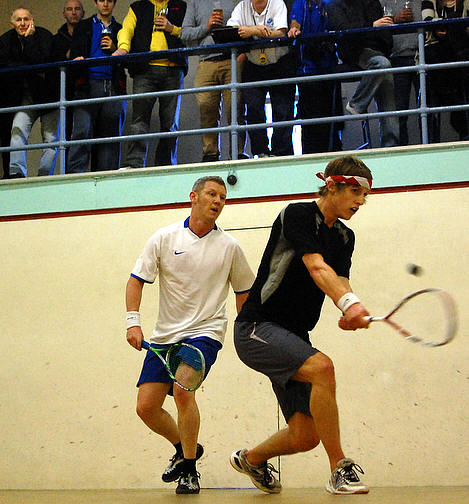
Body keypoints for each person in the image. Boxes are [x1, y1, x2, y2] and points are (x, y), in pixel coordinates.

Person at [231, 155, 372, 495]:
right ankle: (340, 469)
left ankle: (251, 459)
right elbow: (316, 266)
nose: (361, 201)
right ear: (331, 186)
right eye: (355, 191)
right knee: (323, 367)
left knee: (305, 436)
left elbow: (339, 279)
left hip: (295, 336)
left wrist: (348, 307)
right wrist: (349, 304)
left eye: (366, 195)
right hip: (256, 328)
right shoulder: (297, 215)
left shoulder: (345, 237)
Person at [126, 176, 254, 494]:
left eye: (223, 197)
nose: (218, 201)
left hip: (205, 333)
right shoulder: (164, 238)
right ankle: (186, 448)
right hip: (165, 336)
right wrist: (133, 322)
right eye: (211, 194)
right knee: (146, 407)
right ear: (193, 197)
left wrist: (247, 330)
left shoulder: (230, 247)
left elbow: (244, 292)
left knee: (183, 391)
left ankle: (189, 470)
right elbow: (136, 280)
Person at [113, 0, 188, 168]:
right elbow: (126, 29)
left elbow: (191, 32)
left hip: (173, 68)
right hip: (144, 70)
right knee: (139, 121)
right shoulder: (138, 7)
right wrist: (123, 48)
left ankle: (166, 165)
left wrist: (172, 28)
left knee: (170, 123)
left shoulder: (181, 5)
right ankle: (134, 164)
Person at [181, 0, 248, 163]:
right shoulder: (195, 3)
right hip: (206, 61)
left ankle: (238, 152)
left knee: (236, 107)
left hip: (232, 59)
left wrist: (244, 52)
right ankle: (210, 153)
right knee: (206, 108)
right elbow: (184, 34)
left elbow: (248, 25)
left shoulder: (237, 2)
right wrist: (207, 26)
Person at [227, 0, 296, 157]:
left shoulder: (277, 3)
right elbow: (231, 30)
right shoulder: (242, 6)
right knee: (253, 109)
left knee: (283, 110)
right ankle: (260, 152)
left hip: (280, 63)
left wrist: (252, 31)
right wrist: (256, 29)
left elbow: (280, 33)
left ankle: (281, 152)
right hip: (253, 64)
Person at [327, 0, 399, 147]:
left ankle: (391, 146)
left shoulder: (372, 2)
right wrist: (372, 26)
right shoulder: (335, 4)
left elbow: (383, 29)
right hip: (355, 52)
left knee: (384, 68)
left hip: (378, 51)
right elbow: (343, 30)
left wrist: (385, 45)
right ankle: (357, 104)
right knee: (383, 64)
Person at [67, 0, 127, 173]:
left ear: (114, 4)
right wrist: (77, 59)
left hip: (113, 85)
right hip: (87, 84)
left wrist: (115, 48)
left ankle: (107, 177)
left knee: (110, 136)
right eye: (101, 0)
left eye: (109, 1)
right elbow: (75, 53)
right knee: (82, 131)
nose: (105, 4)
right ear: (95, 3)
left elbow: (127, 59)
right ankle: (75, 176)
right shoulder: (83, 26)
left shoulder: (120, 28)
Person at [0, 7, 58, 177]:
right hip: (26, 96)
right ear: (12, 23)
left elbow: (41, 61)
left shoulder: (44, 35)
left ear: (32, 20)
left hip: (49, 95)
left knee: (51, 139)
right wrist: (28, 68)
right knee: (17, 130)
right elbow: (4, 65)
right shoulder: (5, 40)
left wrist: (30, 39)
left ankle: (44, 175)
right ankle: (17, 173)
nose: (23, 23)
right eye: (18, 20)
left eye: (26, 19)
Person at [288, 0, 342, 153]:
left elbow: (339, 23)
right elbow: (295, 22)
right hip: (308, 70)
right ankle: (311, 157)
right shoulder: (301, 3)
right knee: (311, 124)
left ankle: (335, 155)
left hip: (330, 69)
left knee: (333, 121)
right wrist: (294, 29)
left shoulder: (331, 2)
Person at [422, 0, 469, 142]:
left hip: (462, 52)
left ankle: (462, 122)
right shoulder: (429, 1)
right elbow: (427, 20)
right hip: (437, 52)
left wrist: (445, 25)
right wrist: (445, 26)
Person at [383, 0, 421, 145]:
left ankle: (430, 144)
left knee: (426, 109)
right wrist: (395, 20)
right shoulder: (382, 2)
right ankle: (401, 148)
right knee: (399, 111)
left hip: (422, 55)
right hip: (396, 57)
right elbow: (376, 22)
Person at [52, 0, 85, 158]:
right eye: (70, 9)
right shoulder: (56, 40)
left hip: (86, 87)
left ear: (83, 13)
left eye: (77, 9)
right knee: (66, 132)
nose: (73, 12)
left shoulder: (89, 33)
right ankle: (67, 168)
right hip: (64, 90)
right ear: (63, 13)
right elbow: (53, 65)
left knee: (86, 131)